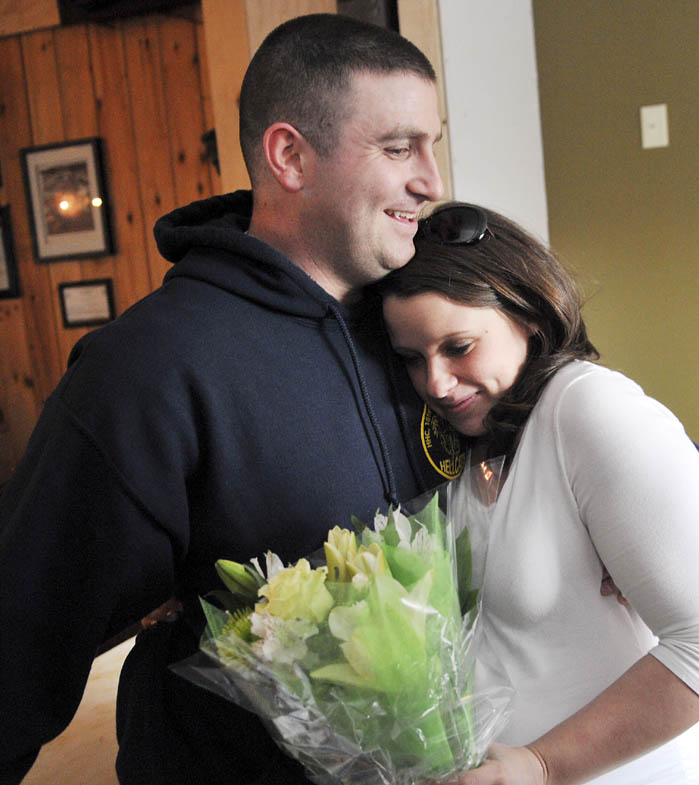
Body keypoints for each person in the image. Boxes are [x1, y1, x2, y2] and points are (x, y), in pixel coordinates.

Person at [0, 14, 467, 785]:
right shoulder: (148, 367)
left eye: (432, 143)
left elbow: (571, 399)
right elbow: (24, 639)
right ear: (289, 155)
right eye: (397, 148)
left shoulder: (432, 316)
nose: (432, 179)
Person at [379, 202, 699, 785]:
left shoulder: (588, 408)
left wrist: (542, 764)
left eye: (458, 347)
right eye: (412, 358)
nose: (435, 382)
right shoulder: (475, 445)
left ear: (528, 316)